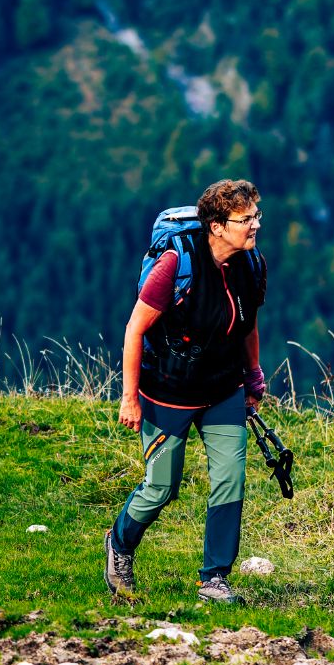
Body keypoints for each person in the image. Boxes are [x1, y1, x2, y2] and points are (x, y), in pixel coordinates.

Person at [105, 179, 267, 605]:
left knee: (230, 479)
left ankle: (214, 578)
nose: (254, 226)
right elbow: (134, 330)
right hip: (168, 392)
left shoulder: (251, 265)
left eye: (256, 216)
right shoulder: (177, 264)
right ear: (216, 226)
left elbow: (247, 323)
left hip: (223, 389)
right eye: (245, 219)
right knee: (161, 487)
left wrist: (252, 375)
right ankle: (120, 545)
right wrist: (129, 398)